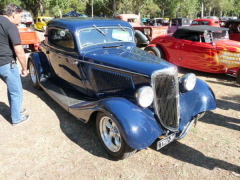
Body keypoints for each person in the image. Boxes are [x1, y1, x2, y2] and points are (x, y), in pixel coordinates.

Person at [0, 4, 30, 125]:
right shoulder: (10, 26)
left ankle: (15, 110)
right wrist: (25, 68)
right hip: (7, 64)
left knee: (12, 88)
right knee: (16, 91)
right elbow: (19, 50)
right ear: (13, 14)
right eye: (20, 16)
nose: (21, 19)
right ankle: (16, 118)